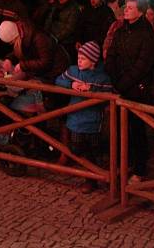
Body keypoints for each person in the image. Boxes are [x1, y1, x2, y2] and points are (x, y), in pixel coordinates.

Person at [104, 0, 154, 181]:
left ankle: (139, 169)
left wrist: (122, 83)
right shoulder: (120, 30)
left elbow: (142, 65)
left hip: (137, 89)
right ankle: (122, 164)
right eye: (125, 7)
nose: (125, 10)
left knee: (137, 131)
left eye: (130, 8)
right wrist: (113, 76)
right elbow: (111, 54)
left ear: (140, 12)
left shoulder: (147, 34)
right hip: (120, 87)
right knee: (119, 129)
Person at [55, 40, 113, 193]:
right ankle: (92, 177)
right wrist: (71, 85)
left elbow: (109, 93)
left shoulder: (101, 78)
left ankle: (96, 179)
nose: (79, 60)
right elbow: (58, 80)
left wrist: (91, 90)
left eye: (83, 58)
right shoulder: (73, 72)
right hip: (75, 121)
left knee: (94, 151)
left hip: (93, 123)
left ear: (93, 61)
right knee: (77, 149)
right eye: (79, 57)